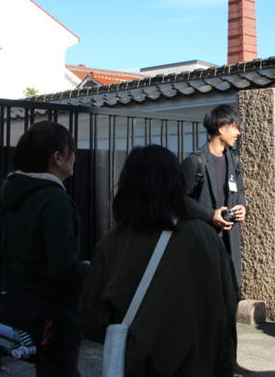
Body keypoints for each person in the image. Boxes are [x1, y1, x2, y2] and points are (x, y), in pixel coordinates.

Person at [81, 145, 238, 376]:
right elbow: (227, 306)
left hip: (139, 366)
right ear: (176, 185)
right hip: (200, 366)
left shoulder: (112, 243)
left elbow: (93, 321)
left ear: (127, 187)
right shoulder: (204, 237)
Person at [2, 121, 90, 377]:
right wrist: (88, 269)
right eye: (72, 151)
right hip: (55, 316)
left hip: (26, 310)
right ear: (58, 157)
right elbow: (64, 270)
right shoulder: (54, 201)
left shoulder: (18, 192)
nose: (75, 157)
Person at [181, 104, 247, 289]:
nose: (238, 133)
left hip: (230, 240)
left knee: (231, 289)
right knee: (206, 290)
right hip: (203, 239)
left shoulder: (233, 159)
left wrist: (241, 206)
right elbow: (179, 199)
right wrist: (211, 215)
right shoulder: (195, 161)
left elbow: (239, 190)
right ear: (221, 128)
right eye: (234, 127)